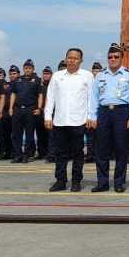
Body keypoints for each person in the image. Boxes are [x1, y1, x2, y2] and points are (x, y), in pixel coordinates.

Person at [88, 44, 129, 193]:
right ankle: (102, 182)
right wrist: (92, 116)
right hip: (104, 113)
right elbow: (94, 97)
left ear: (121, 58)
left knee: (121, 149)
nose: (113, 59)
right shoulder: (100, 75)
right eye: (110, 57)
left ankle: (119, 182)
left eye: (116, 56)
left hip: (122, 112)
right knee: (101, 150)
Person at [44, 48, 94, 192]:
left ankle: (76, 181)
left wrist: (91, 116)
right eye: (69, 57)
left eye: (75, 58)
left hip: (78, 121)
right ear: (65, 59)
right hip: (59, 121)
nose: (72, 60)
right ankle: (60, 181)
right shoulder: (57, 76)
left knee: (77, 154)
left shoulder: (87, 76)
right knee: (60, 154)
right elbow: (51, 97)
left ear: (81, 60)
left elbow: (91, 98)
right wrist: (48, 116)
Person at [9, 60, 43, 163]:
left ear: (33, 69)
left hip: (30, 109)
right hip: (18, 109)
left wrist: (39, 108)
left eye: (29, 68)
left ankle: (26, 155)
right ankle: (17, 154)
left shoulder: (37, 80)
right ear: (23, 69)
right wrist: (11, 108)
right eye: (26, 68)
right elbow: (13, 94)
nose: (27, 70)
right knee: (16, 134)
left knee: (29, 134)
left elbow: (40, 95)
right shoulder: (18, 80)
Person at [0, 68, 14, 160]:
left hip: (13, 111)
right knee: (3, 134)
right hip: (3, 112)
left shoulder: (15, 84)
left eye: (1, 75)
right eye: (10, 74)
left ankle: (13, 152)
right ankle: (4, 152)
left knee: (14, 134)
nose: (0, 76)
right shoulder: (4, 85)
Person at [38, 66, 53, 161]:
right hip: (40, 112)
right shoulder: (40, 86)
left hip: (50, 113)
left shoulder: (53, 85)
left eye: (48, 74)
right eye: (44, 74)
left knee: (51, 135)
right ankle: (41, 153)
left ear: (51, 75)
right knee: (41, 134)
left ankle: (51, 154)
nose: (46, 75)